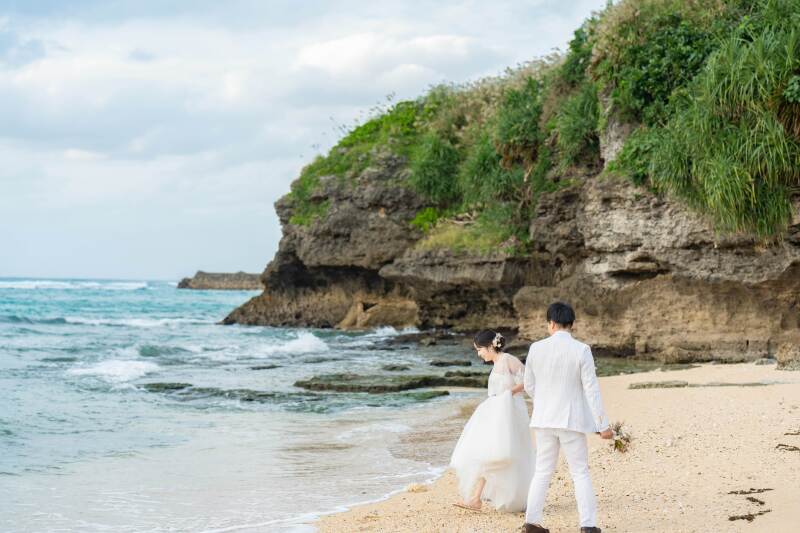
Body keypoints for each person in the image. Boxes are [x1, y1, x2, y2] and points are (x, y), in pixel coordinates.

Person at [522, 302, 613, 533]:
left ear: (551, 323)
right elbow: (591, 389)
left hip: (543, 419)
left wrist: (545, 401)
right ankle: (587, 526)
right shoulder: (581, 349)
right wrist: (602, 424)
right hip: (571, 420)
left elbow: (528, 385)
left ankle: (531, 522)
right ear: (571, 324)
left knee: (542, 472)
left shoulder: (535, 348)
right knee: (579, 472)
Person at [449, 330, 535, 512]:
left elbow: (529, 380)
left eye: (479, 349)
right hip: (497, 412)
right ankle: (476, 498)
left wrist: (509, 393)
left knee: (499, 454)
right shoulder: (496, 363)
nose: (478, 354)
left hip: (509, 413)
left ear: (490, 346)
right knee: (489, 453)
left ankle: (479, 499)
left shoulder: (508, 359)